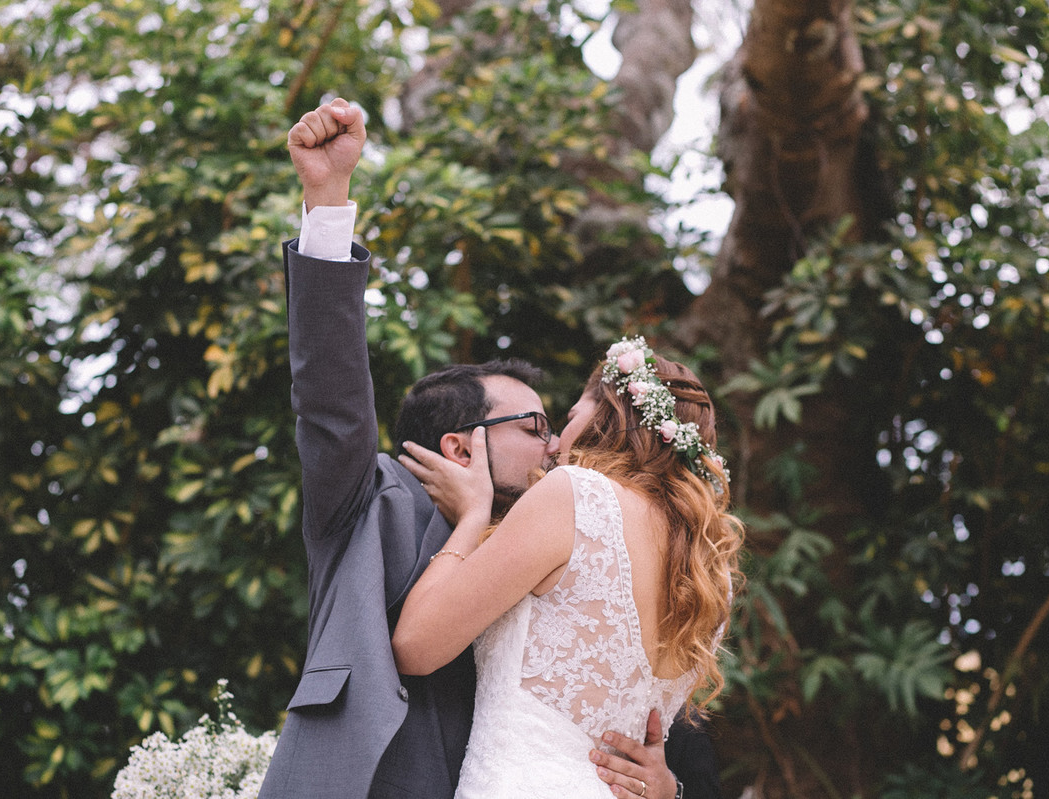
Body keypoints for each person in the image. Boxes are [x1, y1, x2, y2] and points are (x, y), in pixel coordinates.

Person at [258, 97, 716, 799]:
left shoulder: (589, 540)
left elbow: (655, 721)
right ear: (458, 444)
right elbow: (329, 394)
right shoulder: (376, 500)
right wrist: (327, 200)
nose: (556, 444)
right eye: (531, 426)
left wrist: (671, 787)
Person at [392, 335, 744, 798]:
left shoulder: (577, 496)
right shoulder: (708, 566)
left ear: (607, 420)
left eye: (570, 418)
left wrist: (473, 515)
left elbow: (414, 647)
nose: (556, 442)